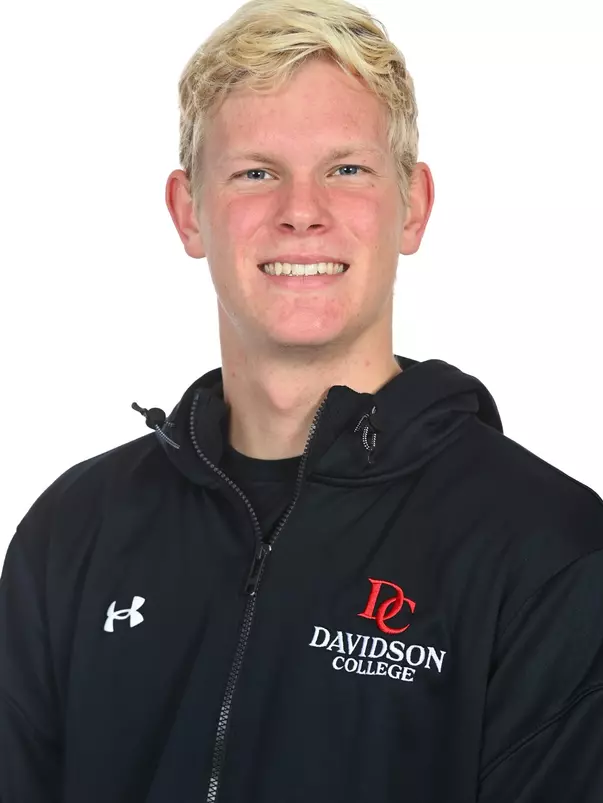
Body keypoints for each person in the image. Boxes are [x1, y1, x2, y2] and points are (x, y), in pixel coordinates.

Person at [1, 0, 602, 800]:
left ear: (413, 205)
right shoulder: (73, 530)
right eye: (255, 171)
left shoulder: (546, 551)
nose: (300, 210)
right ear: (188, 213)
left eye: (345, 169)